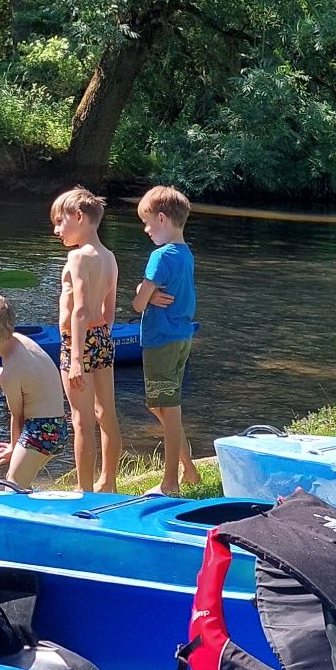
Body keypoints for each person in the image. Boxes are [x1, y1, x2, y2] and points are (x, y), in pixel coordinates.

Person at [131, 184, 200, 496]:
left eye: (146, 223)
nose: (145, 230)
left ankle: (170, 483)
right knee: (162, 407)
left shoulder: (160, 256)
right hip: (181, 339)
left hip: (161, 341)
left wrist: (143, 295)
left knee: (168, 411)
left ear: (162, 219)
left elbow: (137, 304)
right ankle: (190, 470)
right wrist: (150, 294)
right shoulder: (185, 254)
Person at [0, 292, 68, 487]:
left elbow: (16, 415)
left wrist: (13, 445)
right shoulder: (20, 341)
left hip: (40, 431)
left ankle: (33, 515)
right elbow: (32, 374)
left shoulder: (12, 372)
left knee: (14, 486)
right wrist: (1, 373)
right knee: (21, 483)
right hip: (57, 426)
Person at [52, 186, 120, 494]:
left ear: (79, 217)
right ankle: (109, 481)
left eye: (60, 221)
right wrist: (99, 337)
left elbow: (79, 310)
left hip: (76, 343)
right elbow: (109, 311)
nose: (57, 229)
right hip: (102, 339)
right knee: (107, 412)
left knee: (81, 420)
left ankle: (84, 491)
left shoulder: (78, 257)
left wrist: (77, 358)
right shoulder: (109, 257)